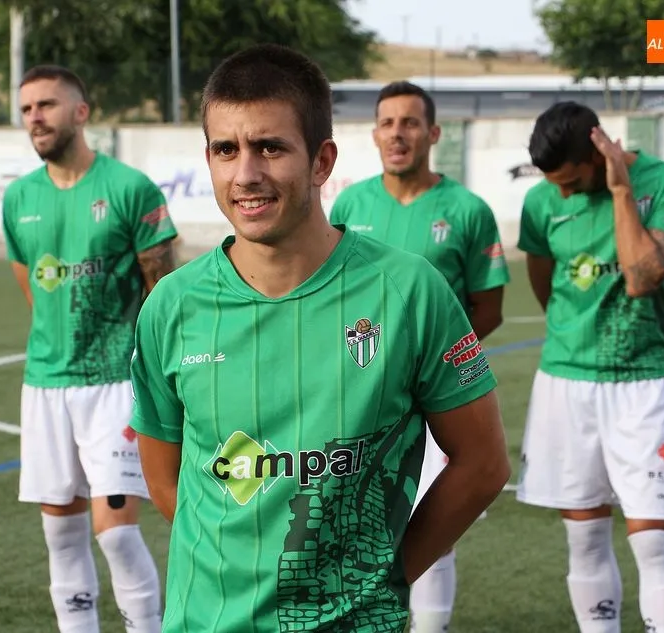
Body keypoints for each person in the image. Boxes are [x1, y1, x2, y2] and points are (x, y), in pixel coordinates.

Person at [128, 43, 511, 633]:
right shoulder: (171, 306)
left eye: (270, 147)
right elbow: (164, 476)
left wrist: (384, 575)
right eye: (225, 150)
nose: (246, 173)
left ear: (321, 161)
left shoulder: (410, 291)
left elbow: (483, 463)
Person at [2, 64, 177, 633]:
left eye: (47, 105)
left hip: (115, 382)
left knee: (118, 533)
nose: (35, 118)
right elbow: (29, 286)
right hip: (46, 384)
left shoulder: (129, 188)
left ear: (81, 112)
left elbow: (161, 292)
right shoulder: (18, 199)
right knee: (61, 534)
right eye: (27, 108)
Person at [330, 80, 510, 632]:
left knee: (431, 523)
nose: (397, 133)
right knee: (349, 523)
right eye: (387, 123)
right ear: (374, 134)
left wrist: (430, 369)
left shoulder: (466, 209)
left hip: (432, 399)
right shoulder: (348, 204)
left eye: (409, 123)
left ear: (432, 133)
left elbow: (489, 306)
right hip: (357, 395)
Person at [516, 101, 664, 633]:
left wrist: (619, 191)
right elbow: (546, 286)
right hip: (565, 384)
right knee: (586, 538)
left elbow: (643, 276)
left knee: (656, 542)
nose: (563, 194)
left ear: (601, 149)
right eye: (556, 185)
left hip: (641, 383)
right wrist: (579, 337)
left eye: (573, 181)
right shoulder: (541, 201)